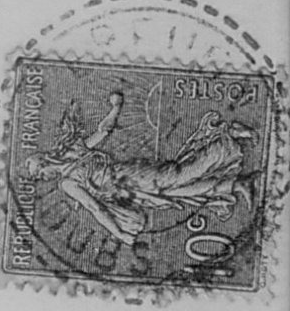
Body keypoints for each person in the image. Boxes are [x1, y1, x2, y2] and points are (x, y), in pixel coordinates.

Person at [23, 90, 254, 247]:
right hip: (129, 190)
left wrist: (120, 234)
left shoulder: (68, 181)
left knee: (178, 176)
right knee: (177, 192)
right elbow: (103, 132)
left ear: (45, 163)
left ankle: (226, 137)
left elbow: (95, 208)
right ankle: (237, 184)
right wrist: (116, 106)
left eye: (41, 174)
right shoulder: (74, 155)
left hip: (130, 178)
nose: (44, 178)